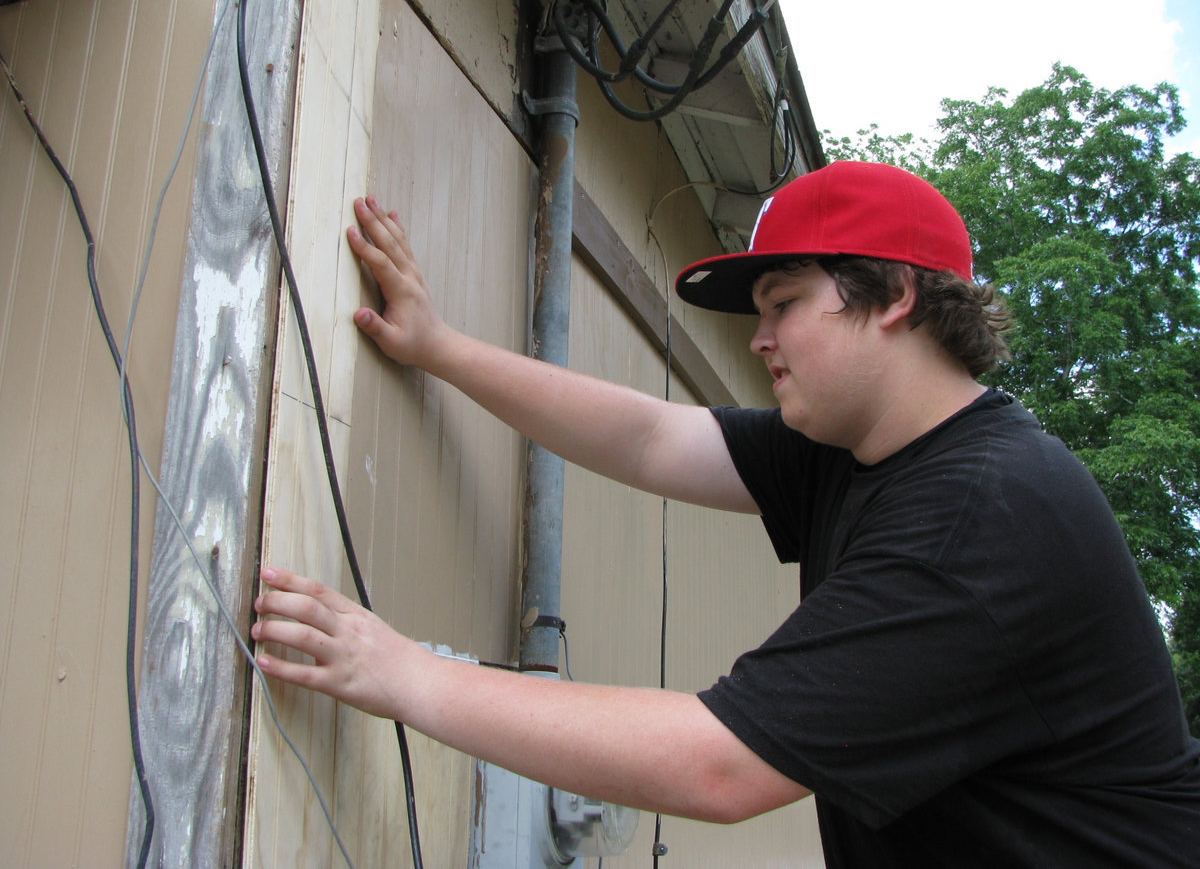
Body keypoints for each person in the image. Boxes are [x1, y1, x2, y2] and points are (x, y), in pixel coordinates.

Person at [251, 161, 1200, 866]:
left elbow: (721, 766)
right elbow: (650, 438)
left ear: (895, 297)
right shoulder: (858, 448)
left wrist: (403, 673)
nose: (759, 338)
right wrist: (440, 348)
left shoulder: (981, 517)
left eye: (784, 303)